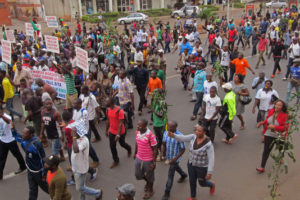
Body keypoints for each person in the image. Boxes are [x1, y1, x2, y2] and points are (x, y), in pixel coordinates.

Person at [168, 125, 215, 200]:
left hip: (201, 167)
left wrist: (209, 172)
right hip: (191, 165)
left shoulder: (208, 144)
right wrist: (174, 135)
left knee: (202, 183)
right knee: (192, 181)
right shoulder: (193, 137)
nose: (197, 132)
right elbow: (183, 138)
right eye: (196, 130)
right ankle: (193, 197)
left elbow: (211, 158)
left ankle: (211, 185)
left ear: (204, 132)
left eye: (199, 131)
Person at [70, 119, 103, 200]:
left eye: (73, 131)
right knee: (82, 185)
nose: (71, 132)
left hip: (80, 169)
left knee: (80, 188)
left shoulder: (84, 141)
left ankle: (97, 193)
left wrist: (74, 136)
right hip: (76, 167)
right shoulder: (77, 139)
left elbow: (76, 150)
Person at [13, 126, 49, 200]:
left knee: (46, 188)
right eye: (22, 132)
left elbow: (43, 159)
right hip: (30, 170)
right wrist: (13, 129)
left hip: (38, 172)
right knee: (32, 189)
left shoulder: (37, 144)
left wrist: (44, 174)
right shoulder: (24, 140)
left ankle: (58, 196)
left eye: (25, 133)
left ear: (31, 135)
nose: (22, 134)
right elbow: (16, 136)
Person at [256, 100, 289, 173]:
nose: (277, 106)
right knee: (266, 151)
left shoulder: (285, 115)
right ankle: (262, 167)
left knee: (281, 149)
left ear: (282, 107)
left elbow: (285, 128)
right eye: (276, 104)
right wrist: (261, 123)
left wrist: (274, 127)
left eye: (279, 105)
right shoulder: (271, 111)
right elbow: (268, 120)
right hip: (269, 134)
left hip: (279, 136)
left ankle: (281, 157)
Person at [161, 121, 187, 200]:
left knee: (170, 175)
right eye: (168, 126)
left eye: (171, 127)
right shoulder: (166, 133)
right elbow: (163, 144)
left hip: (175, 158)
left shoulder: (180, 136)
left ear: (175, 127)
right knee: (175, 167)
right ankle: (183, 175)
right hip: (169, 156)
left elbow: (183, 149)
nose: (169, 128)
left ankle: (167, 192)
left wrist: (174, 159)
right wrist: (162, 153)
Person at [0, 106, 26, 180]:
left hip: (10, 140)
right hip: (2, 140)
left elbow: (9, 122)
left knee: (17, 154)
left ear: (2, 111)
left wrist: (1, 116)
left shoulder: (7, 117)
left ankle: (23, 166)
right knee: (2, 158)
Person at [105, 97, 132, 169]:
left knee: (122, 144)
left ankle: (129, 148)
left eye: (106, 102)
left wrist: (118, 134)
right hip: (111, 131)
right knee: (112, 146)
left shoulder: (119, 111)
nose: (105, 103)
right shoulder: (108, 109)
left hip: (120, 132)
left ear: (111, 103)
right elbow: (108, 120)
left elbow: (120, 124)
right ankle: (116, 160)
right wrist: (106, 130)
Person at [134, 119, 157, 199]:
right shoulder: (137, 132)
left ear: (145, 127)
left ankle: (150, 190)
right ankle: (148, 182)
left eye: (140, 126)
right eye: (137, 125)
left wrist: (154, 162)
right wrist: (135, 153)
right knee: (138, 174)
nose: (137, 127)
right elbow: (137, 143)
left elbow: (155, 149)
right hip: (139, 157)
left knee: (150, 175)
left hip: (148, 159)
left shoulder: (151, 135)